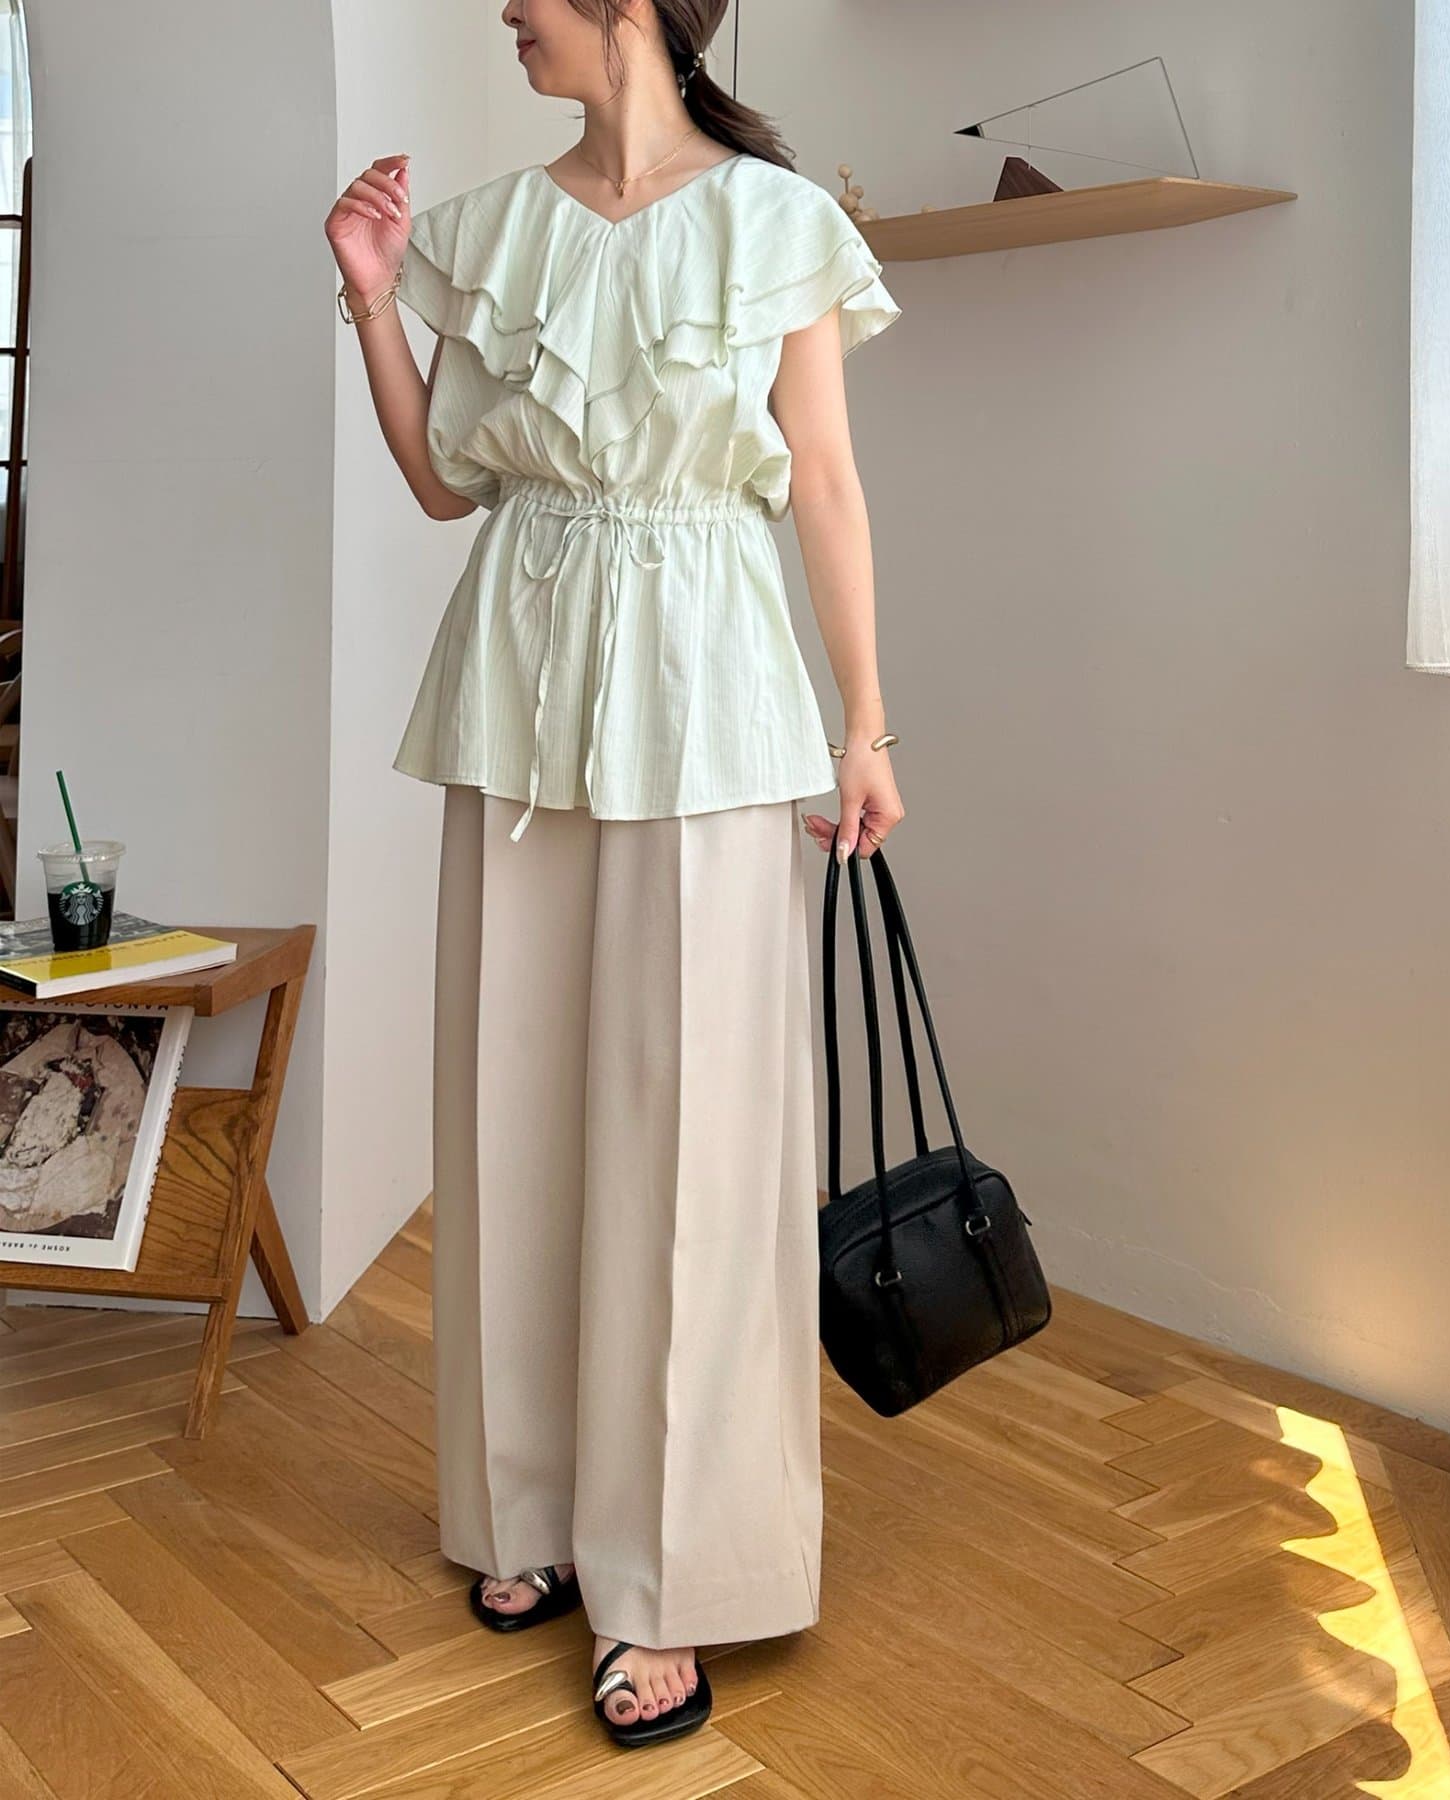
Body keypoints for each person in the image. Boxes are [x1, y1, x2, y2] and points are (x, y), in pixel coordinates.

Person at [324, 0, 903, 1752]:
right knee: (510, 1105)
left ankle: (671, 1575)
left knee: (693, 1136)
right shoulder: (492, 227)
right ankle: (526, 1509)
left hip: (714, 694)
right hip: (519, 677)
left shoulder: (776, 220)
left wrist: (866, 728)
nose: (506, 11)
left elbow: (824, 484)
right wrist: (375, 297)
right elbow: (444, 488)